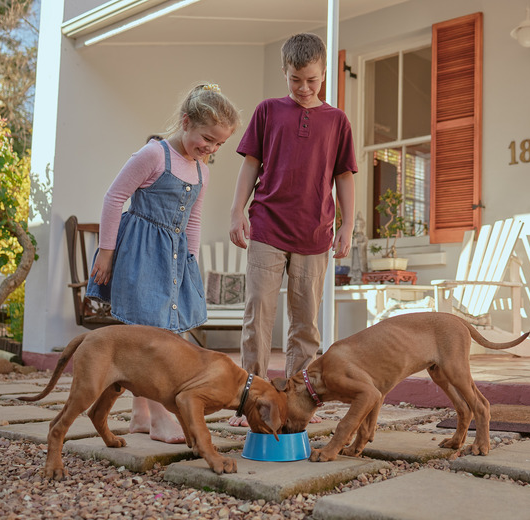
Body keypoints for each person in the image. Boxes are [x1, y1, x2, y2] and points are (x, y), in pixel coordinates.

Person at [86, 83, 240, 443]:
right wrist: (106, 252)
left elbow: (195, 220)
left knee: (159, 334)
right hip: (141, 256)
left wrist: (190, 263)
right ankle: (160, 417)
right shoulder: (154, 155)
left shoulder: (202, 171)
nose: (211, 148)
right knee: (155, 340)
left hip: (174, 261)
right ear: (186, 121)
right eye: (207, 138)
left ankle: (140, 416)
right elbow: (114, 198)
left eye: (219, 144)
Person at [228, 33, 357, 426]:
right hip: (267, 226)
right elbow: (250, 163)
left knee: (305, 324)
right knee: (258, 315)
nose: (304, 88)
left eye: (312, 80)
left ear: (324, 75)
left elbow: (345, 177)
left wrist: (347, 225)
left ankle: (299, 401)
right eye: (295, 79)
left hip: (315, 234)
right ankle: (250, 400)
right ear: (284, 72)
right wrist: (237, 211)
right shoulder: (268, 111)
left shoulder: (337, 121)